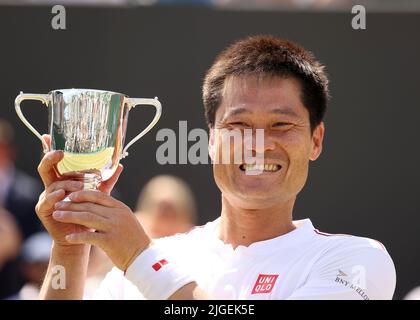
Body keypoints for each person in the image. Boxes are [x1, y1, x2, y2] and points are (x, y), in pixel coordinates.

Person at [34, 35, 396, 300]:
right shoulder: (150, 259)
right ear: (210, 140)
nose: (258, 144)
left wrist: (142, 260)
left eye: (281, 125)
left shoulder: (357, 261)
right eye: (238, 125)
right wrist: (70, 244)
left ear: (315, 141)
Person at [0, 119, 43, 299]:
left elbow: (41, 243)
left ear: (7, 150)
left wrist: (16, 242)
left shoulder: (30, 193)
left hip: (17, 287)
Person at [134, 175, 197, 239]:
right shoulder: (136, 228)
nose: (166, 223)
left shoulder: (192, 236)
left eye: (171, 214)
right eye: (163, 212)